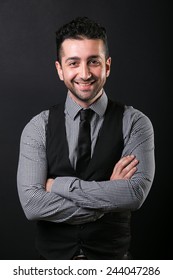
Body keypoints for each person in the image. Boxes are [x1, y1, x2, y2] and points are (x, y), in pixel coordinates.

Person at [17, 16, 155, 260]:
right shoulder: (38, 127)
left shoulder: (135, 123)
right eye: (73, 63)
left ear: (107, 66)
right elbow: (32, 205)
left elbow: (134, 194)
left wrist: (58, 185)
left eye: (93, 61)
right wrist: (110, 196)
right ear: (60, 69)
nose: (84, 73)